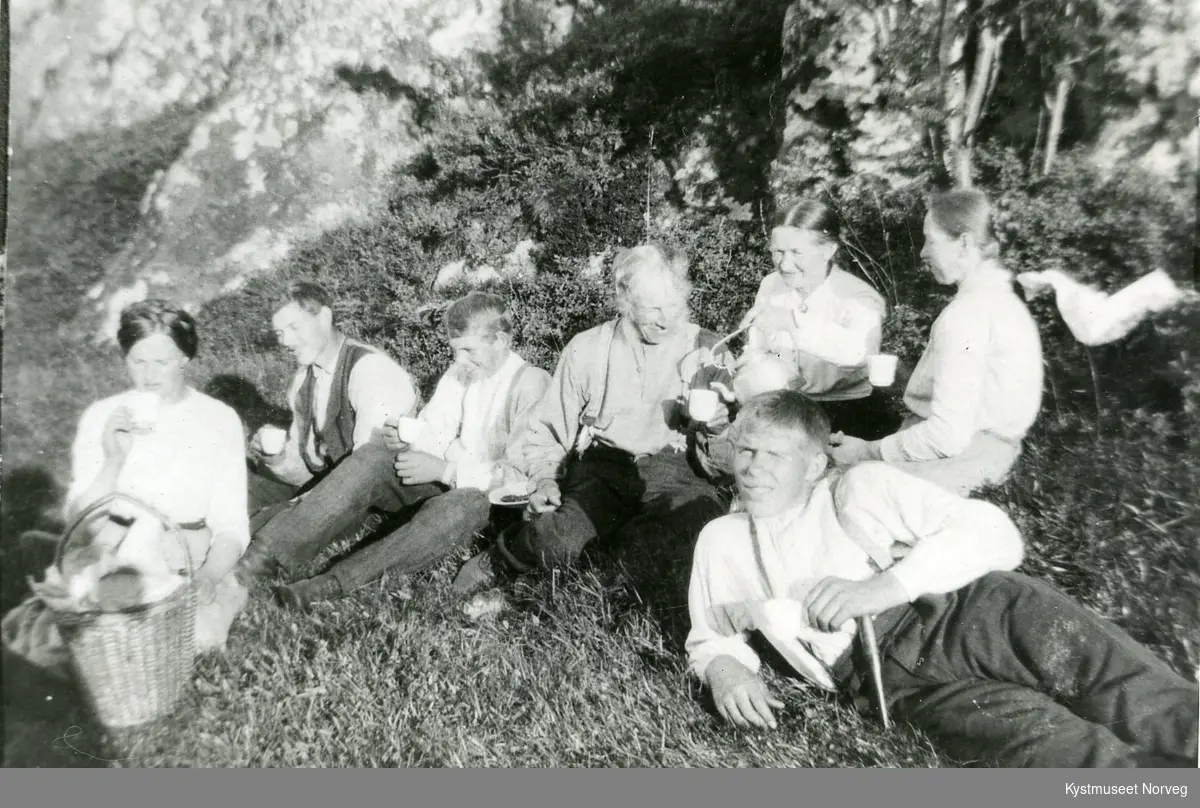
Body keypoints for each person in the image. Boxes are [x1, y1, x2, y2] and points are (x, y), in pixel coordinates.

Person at [686, 389, 1197, 767]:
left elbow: (997, 535)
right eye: (746, 451)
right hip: (886, 678)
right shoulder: (722, 539)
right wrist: (725, 669)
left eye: (775, 455)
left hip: (965, 610)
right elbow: (710, 635)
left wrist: (881, 588)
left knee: (1113, 677)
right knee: (1048, 747)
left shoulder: (858, 487)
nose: (753, 468)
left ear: (815, 463)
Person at [452, 243, 733, 594]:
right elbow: (548, 431)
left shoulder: (707, 348)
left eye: (675, 306)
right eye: (653, 308)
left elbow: (731, 463)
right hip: (606, 470)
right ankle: (504, 555)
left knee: (668, 540)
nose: (667, 319)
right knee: (561, 539)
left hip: (678, 472)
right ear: (625, 300)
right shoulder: (588, 349)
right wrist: (544, 481)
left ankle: (599, 568)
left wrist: (719, 427)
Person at [242, 292, 551, 611]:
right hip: (443, 475)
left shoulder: (531, 384)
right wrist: (408, 436)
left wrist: (446, 471)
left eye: (469, 351)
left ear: (500, 340)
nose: (460, 361)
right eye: (456, 351)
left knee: (457, 506)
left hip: (491, 502)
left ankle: (329, 585)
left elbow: (521, 477)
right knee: (376, 454)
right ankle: (262, 558)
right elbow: (434, 428)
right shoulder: (462, 371)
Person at [828, 189, 1043, 495]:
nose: (922, 252)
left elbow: (946, 437)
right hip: (995, 455)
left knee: (836, 492)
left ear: (965, 242)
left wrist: (866, 451)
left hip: (964, 463)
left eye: (930, 239)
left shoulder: (965, 316)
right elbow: (977, 399)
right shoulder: (1003, 301)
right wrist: (909, 380)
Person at [65, 300, 251, 651]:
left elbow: (231, 521)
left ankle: (218, 596)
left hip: (185, 559)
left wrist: (209, 575)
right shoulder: (102, 415)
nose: (149, 376)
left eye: (162, 362)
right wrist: (113, 460)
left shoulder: (217, 418)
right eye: (138, 361)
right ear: (125, 358)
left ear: (185, 358)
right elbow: (77, 525)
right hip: (113, 556)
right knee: (86, 623)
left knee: (198, 637)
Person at [236, 280, 420, 583]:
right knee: (242, 473)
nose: (285, 341)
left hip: (384, 496)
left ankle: (260, 555)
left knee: (271, 519)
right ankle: (193, 528)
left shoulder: (370, 369)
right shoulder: (302, 381)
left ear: (324, 317)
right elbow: (308, 468)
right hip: (334, 486)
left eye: (294, 327)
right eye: (280, 333)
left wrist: (299, 504)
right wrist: (279, 457)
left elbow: (368, 468)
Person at [738, 199, 897, 439]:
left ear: (827, 250)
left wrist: (793, 322)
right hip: (786, 405)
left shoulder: (857, 296)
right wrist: (754, 360)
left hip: (846, 410)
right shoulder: (771, 285)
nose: (784, 264)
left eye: (796, 253)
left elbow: (859, 353)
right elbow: (764, 348)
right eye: (778, 252)